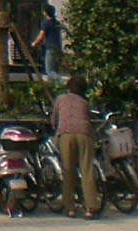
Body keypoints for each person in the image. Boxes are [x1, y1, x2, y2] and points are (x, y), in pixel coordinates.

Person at [51, 74, 98, 217]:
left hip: (66, 134)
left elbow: (54, 121)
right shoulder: (84, 102)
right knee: (87, 170)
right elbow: (88, 118)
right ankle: (91, 207)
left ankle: (70, 207)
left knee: (68, 170)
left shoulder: (60, 99)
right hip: (84, 133)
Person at [31, 4, 62, 77]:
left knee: (49, 70)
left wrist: (34, 43)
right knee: (55, 69)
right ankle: (55, 82)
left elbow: (41, 36)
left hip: (50, 48)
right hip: (58, 48)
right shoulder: (57, 23)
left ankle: (59, 81)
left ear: (45, 13)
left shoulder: (46, 23)